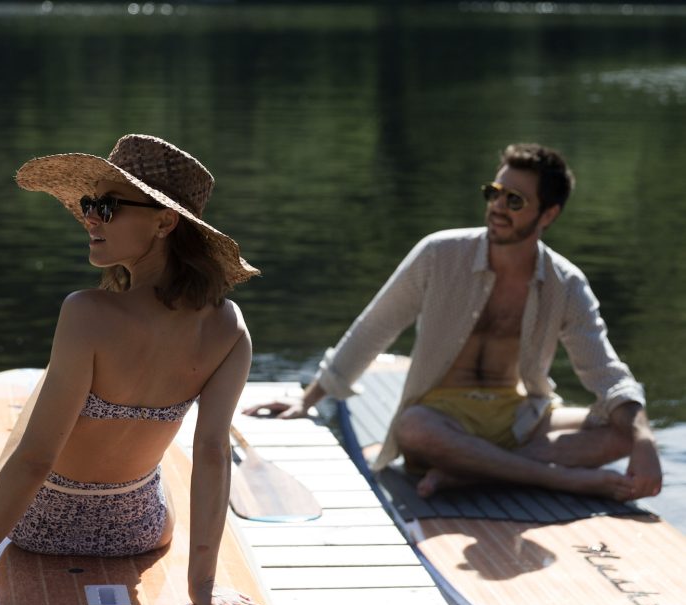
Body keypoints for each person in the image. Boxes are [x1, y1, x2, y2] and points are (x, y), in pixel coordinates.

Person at [0, 134, 272, 605]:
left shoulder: (87, 311)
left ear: (165, 222)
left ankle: (59, 394)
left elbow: (34, 461)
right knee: (152, 457)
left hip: (38, 526)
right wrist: (202, 586)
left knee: (47, 392)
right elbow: (211, 453)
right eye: (88, 204)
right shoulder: (230, 326)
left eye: (107, 206)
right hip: (137, 530)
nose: (90, 218)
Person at [245, 143, 662, 502]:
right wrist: (309, 399)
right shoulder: (439, 254)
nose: (498, 207)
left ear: (548, 215)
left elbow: (605, 371)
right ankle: (554, 478)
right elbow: (376, 327)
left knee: (626, 429)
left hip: (519, 416)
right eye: (495, 192)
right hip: (443, 415)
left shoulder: (564, 283)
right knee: (413, 427)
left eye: (515, 200)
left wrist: (642, 439)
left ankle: (472, 473)